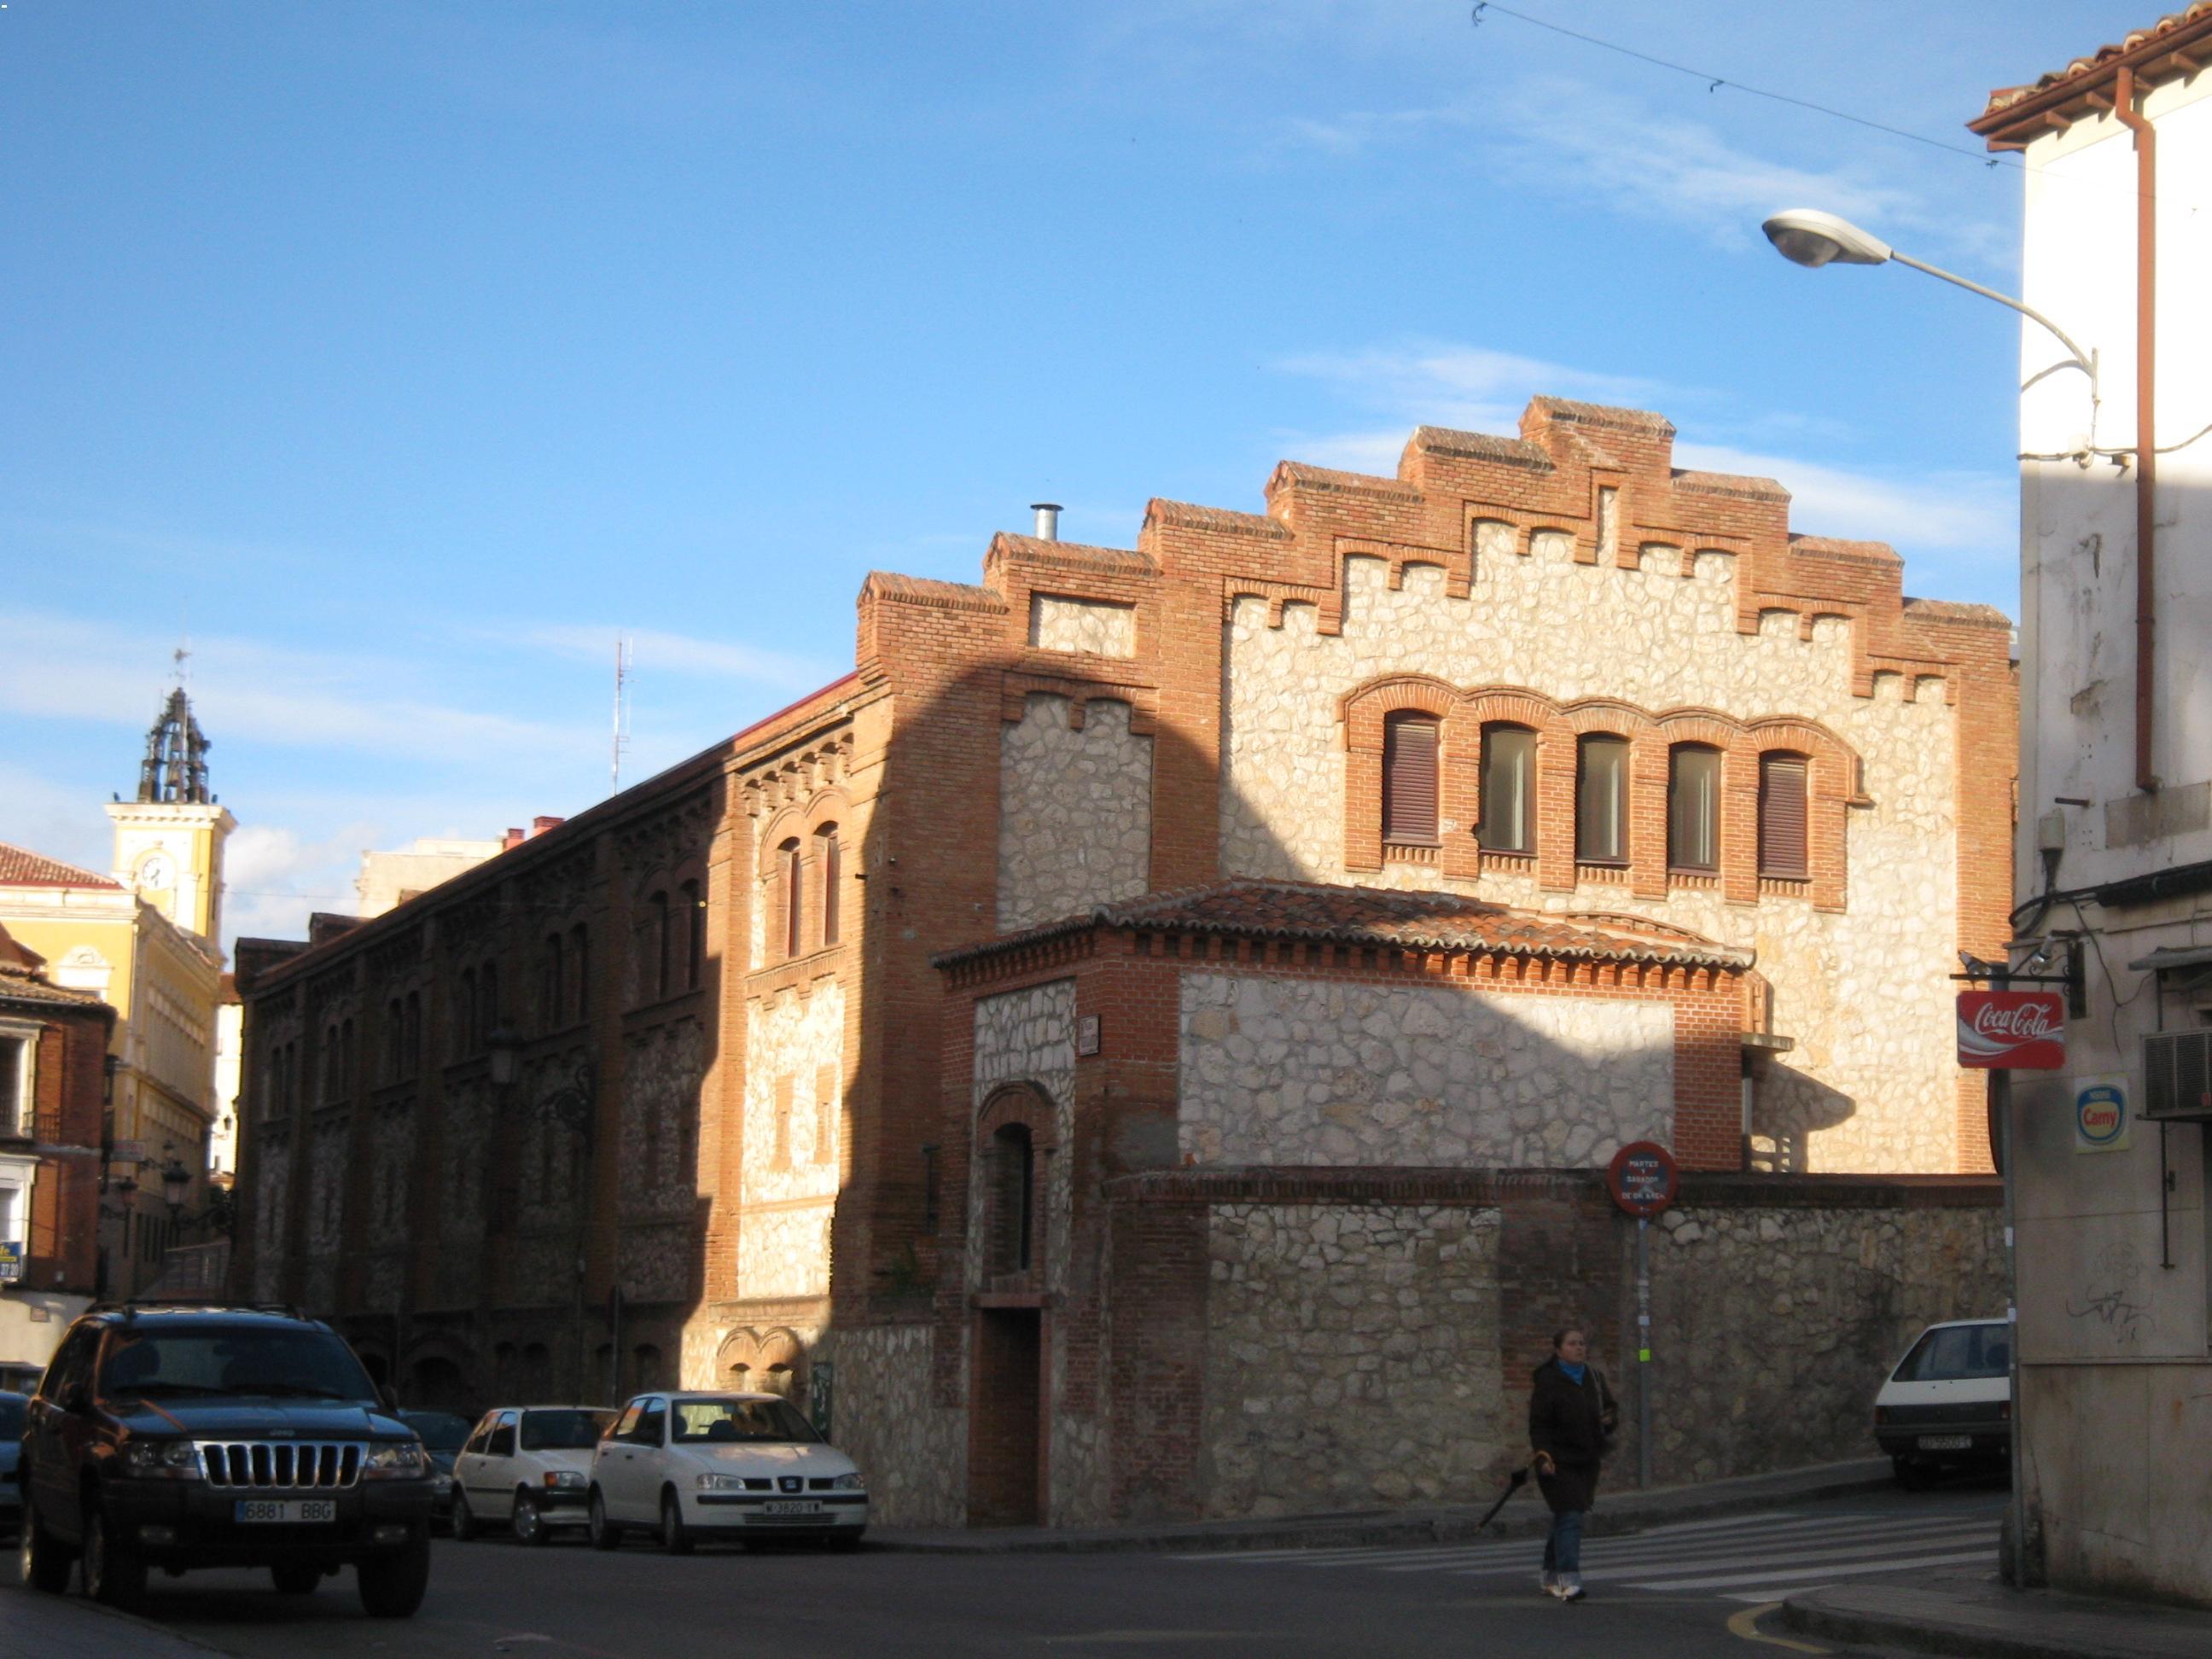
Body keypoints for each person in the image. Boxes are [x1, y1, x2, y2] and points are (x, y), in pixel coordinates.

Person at [1528, 1325, 1616, 1602]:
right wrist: (1543, 1456)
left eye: (1582, 1344)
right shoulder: (1548, 1381)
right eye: (1572, 1344)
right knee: (1571, 1515)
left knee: (1566, 1516)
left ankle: (1549, 1575)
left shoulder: (1593, 1377)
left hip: (1587, 1458)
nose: (1579, 1348)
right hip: (1557, 1460)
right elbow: (1539, 1425)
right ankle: (1570, 1579)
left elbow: (1611, 1410)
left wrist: (1609, 1421)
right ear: (1558, 1350)